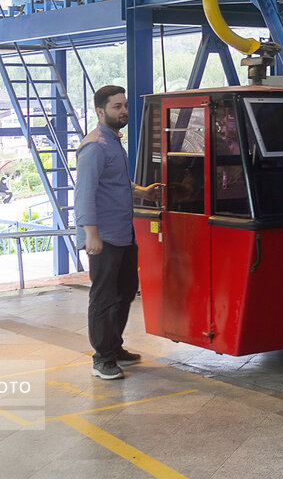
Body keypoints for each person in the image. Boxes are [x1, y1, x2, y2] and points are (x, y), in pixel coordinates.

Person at [76, 85, 161, 380]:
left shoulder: (113, 142)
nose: (124, 111)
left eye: (124, 105)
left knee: (125, 291)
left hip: (124, 233)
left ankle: (114, 347)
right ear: (100, 111)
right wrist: (91, 235)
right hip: (105, 237)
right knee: (103, 297)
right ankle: (102, 359)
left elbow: (116, 183)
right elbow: (85, 194)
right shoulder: (95, 146)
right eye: (117, 107)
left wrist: (143, 192)